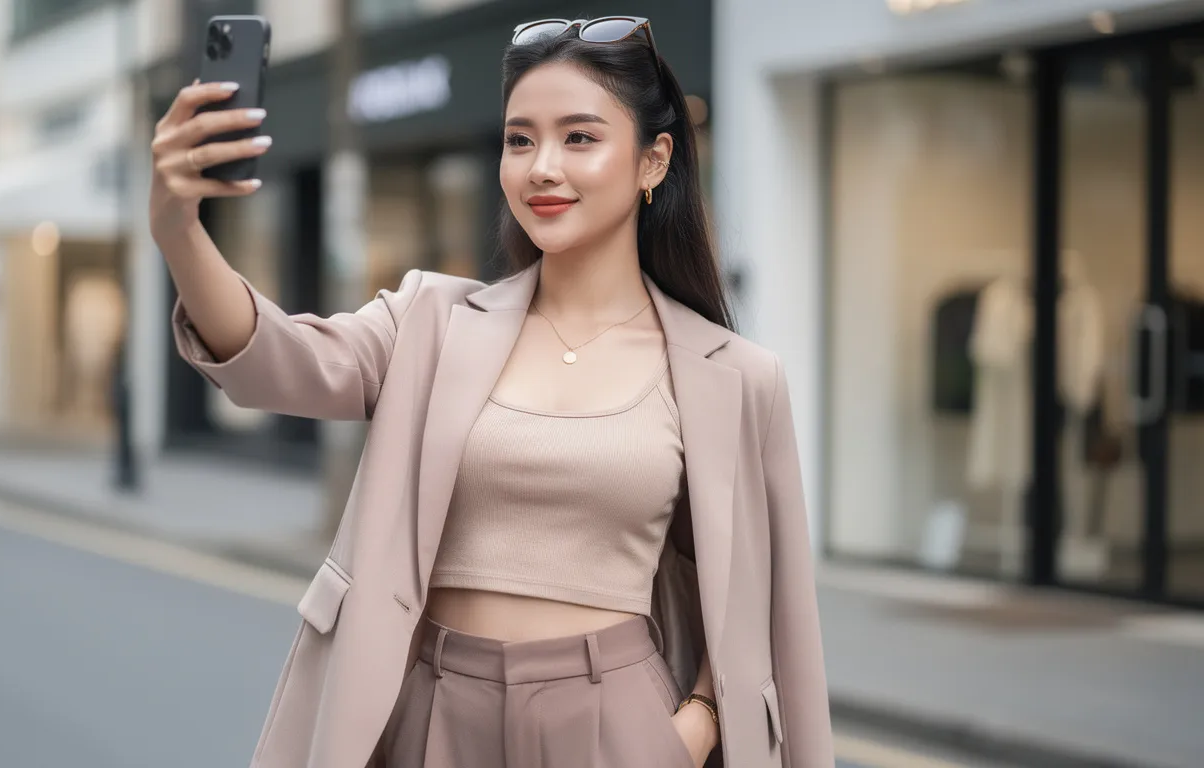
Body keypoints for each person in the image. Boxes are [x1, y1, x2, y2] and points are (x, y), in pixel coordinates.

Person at [150, 16, 831, 768]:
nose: (541, 167)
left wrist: (698, 719)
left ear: (652, 160)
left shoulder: (734, 374)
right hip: (433, 714)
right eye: (519, 139)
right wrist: (180, 229)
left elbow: (762, 601)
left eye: (579, 138)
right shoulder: (430, 322)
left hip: (616, 724)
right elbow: (273, 361)